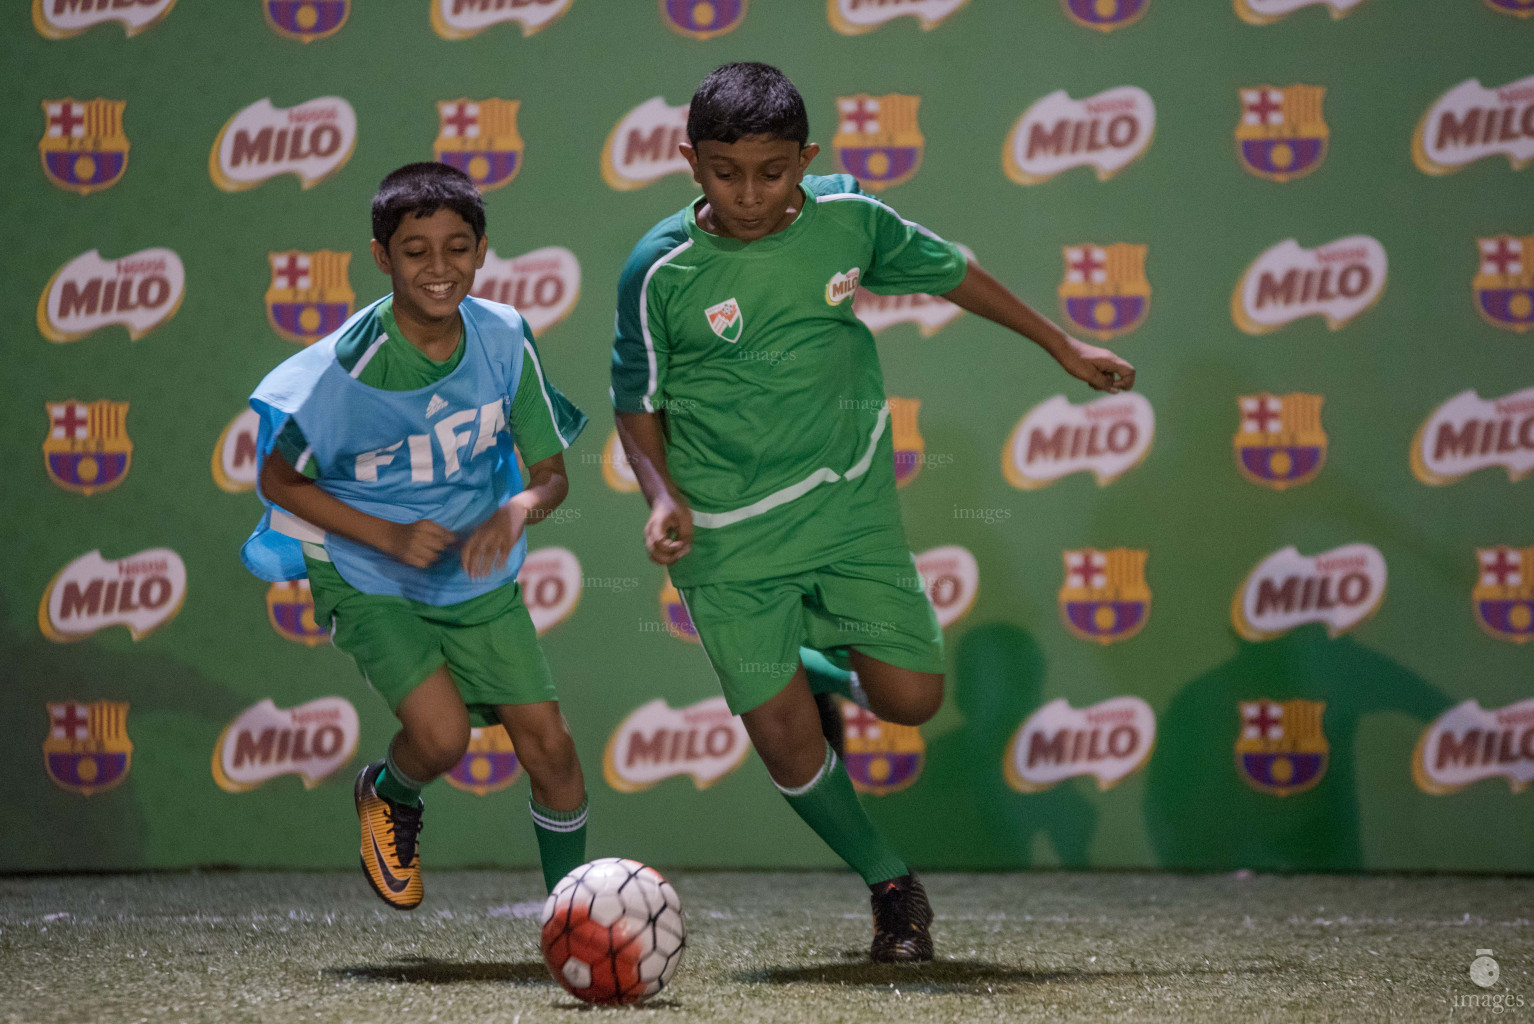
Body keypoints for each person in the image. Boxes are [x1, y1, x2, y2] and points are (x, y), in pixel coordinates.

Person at [610, 63, 1135, 962]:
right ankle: (892, 886)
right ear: (688, 160)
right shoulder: (657, 271)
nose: (748, 192)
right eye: (725, 171)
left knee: (911, 700)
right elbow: (637, 401)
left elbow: (952, 271)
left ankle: (810, 664)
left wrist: (1061, 342)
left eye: (772, 172)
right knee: (786, 744)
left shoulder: (849, 216)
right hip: (727, 538)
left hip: (847, 510)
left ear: (805, 159)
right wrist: (662, 499)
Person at [242, 163, 590, 910]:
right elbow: (280, 481)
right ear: (381, 256)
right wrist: (390, 537)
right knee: (441, 739)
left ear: (482, 249)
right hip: (367, 571)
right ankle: (388, 792)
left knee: (554, 751)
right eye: (416, 251)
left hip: (474, 575)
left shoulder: (504, 336)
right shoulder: (350, 370)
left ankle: (573, 918)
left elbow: (551, 475)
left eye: (457, 247)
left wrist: (516, 507)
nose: (440, 268)